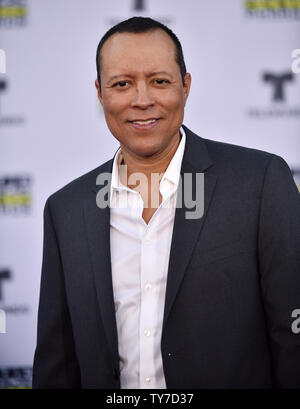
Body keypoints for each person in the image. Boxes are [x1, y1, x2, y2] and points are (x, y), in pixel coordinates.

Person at [32, 16, 300, 389]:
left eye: (159, 81)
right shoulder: (66, 210)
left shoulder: (258, 182)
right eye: (122, 84)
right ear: (100, 93)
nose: (142, 100)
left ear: (185, 87)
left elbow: (292, 339)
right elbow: (56, 362)